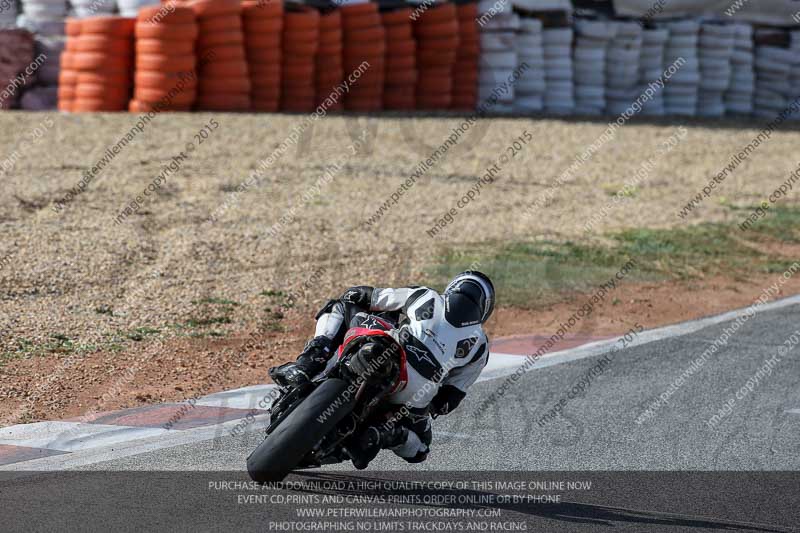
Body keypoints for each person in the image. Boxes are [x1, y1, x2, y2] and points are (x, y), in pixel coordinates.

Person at [269, 271, 494, 469]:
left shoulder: (426, 295)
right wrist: (422, 410)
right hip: (417, 391)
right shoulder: (480, 344)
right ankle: (387, 434)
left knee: (338, 306)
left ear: (452, 288)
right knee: (421, 449)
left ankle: (308, 363)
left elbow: (362, 295)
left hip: (388, 350)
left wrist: (356, 296)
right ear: (484, 308)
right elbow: (450, 398)